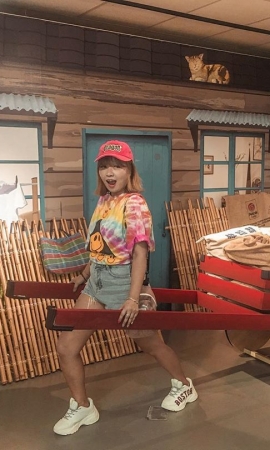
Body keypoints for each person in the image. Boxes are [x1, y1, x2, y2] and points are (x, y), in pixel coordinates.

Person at [53, 140, 198, 436]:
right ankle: (83, 406)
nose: (110, 172)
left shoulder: (134, 204)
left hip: (124, 283)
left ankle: (185, 385)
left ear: (129, 170)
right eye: (105, 166)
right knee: (66, 347)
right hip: (96, 283)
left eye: (117, 166)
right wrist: (85, 273)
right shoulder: (104, 201)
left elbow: (140, 255)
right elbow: (100, 245)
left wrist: (133, 298)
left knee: (151, 345)